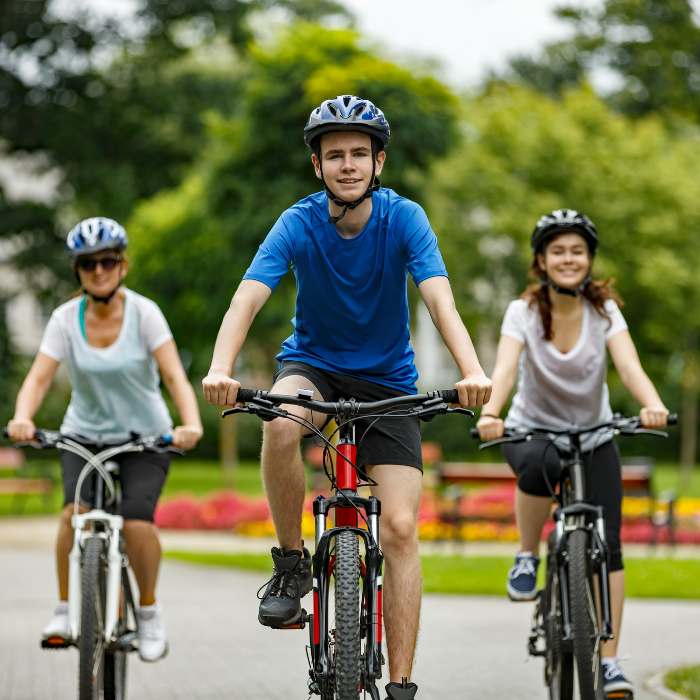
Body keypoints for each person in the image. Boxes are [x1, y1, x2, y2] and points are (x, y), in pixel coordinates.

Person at [202, 95, 492, 698]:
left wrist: (472, 372)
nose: (348, 164)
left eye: (360, 153)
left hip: (389, 382)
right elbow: (247, 297)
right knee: (281, 422)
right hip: (315, 367)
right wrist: (221, 367)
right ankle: (290, 565)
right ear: (318, 166)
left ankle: (403, 683)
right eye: (335, 155)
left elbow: (440, 300)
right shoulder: (298, 221)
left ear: (378, 161)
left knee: (403, 529)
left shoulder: (404, 218)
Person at [476, 209, 669, 697]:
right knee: (542, 464)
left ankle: (608, 662)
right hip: (531, 433)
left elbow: (629, 367)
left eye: (577, 251)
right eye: (557, 250)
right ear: (541, 260)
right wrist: (490, 412)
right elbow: (504, 368)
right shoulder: (522, 312)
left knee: (612, 544)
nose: (568, 259)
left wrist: (653, 405)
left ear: (588, 259)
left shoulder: (604, 312)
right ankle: (526, 556)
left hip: (594, 434)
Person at [7, 217, 203, 662]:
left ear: (123, 265)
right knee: (71, 516)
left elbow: (174, 375)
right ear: (77, 270)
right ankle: (62, 611)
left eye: (108, 260)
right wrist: (23, 416)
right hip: (84, 436)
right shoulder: (63, 319)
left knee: (136, 522)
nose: (99, 270)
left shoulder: (144, 313)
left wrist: (189, 423)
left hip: (145, 439)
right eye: (88, 263)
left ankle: (149, 613)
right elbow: (38, 380)